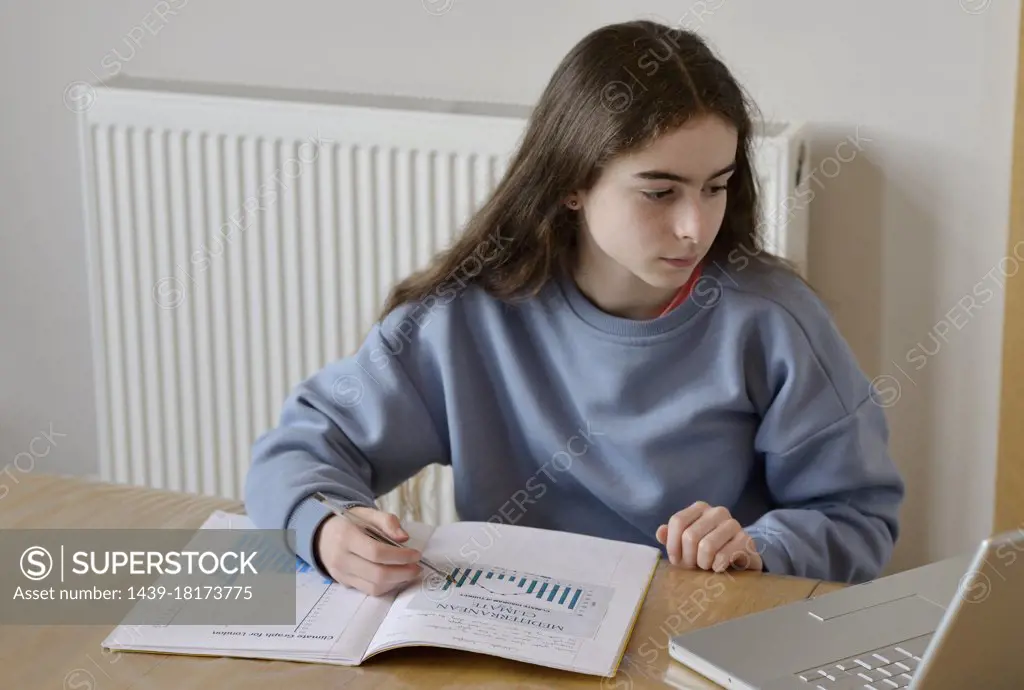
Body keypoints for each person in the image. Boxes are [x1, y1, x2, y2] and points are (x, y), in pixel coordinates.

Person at [244, 19, 905, 597]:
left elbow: (858, 514)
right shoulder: (462, 320)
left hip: (696, 648)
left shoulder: (773, 323)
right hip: (513, 643)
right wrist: (326, 530)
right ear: (572, 185)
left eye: (716, 187)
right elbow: (300, 449)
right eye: (659, 191)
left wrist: (763, 549)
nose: (694, 226)